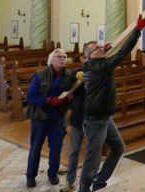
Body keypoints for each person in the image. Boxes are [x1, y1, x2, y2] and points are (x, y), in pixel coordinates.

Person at [78, 15, 145, 192]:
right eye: (98, 48)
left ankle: (99, 183)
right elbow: (123, 52)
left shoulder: (95, 63)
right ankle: (84, 189)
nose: (102, 49)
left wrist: (104, 49)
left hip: (104, 117)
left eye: (102, 47)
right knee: (92, 161)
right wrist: (137, 30)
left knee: (118, 147)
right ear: (90, 55)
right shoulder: (99, 66)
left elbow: (106, 55)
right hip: (95, 119)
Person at [25, 48, 74, 188]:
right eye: (59, 56)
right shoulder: (40, 75)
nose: (63, 59)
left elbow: (75, 93)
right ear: (51, 59)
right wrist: (49, 100)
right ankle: (30, 176)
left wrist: (69, 98)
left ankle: (52, 174)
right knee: (36, 147)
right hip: (40, 116)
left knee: (56, 147)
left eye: (64, 57)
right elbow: (30, 96)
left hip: (58, 116)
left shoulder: (69, 75)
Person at [60, 54, 88, 192]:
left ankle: (88, 181)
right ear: (83, 59)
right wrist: (75, 74)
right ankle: (70, 181)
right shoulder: (78, 72)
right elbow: (64, 87)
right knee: (74, 151)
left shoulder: (99, 72)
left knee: (92, 152)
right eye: (87, 58)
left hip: (93, 119)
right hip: (78, 117)